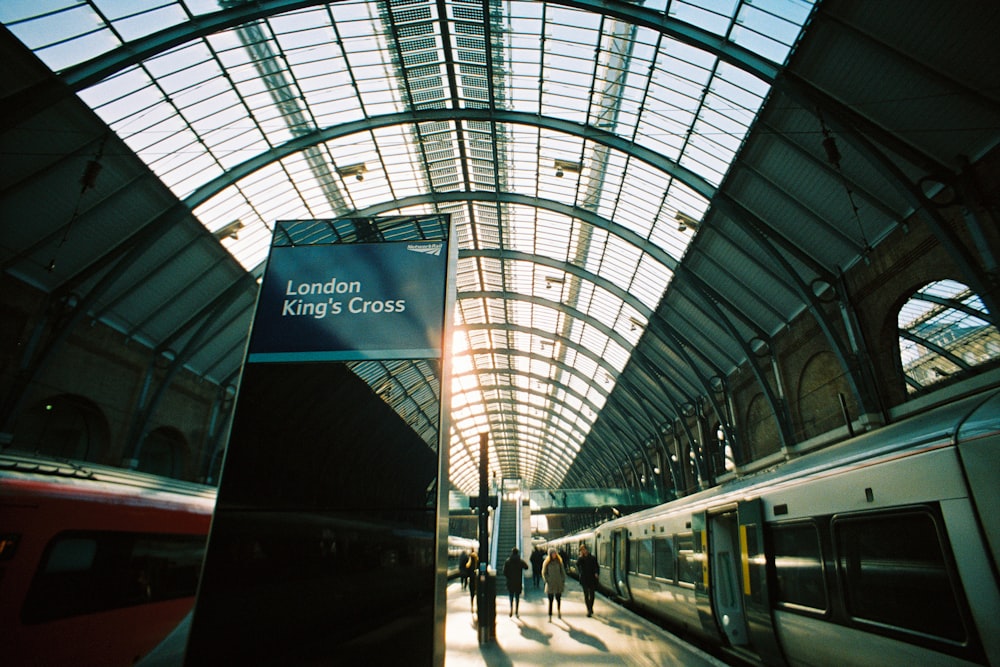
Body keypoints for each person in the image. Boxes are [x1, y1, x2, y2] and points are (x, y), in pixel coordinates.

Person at [502, 547, 529, 617]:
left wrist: (508, 577)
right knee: (517, 597)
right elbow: (526, 567)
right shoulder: (520, 561)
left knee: (511, 597)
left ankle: (511, 609)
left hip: (510, 582)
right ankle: (516, 611)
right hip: (518, 582)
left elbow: (504, 572)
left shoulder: (508, 561)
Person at [541, 548, 566, 620]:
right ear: (550, 555)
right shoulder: (547, 563)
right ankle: (550, 615)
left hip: (558, 583)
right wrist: (547, 580)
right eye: (552, 554)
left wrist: (562, 580)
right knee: (550, 600)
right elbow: (544, 572)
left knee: (558, 599)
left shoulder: (559, 562)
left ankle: (559, 611)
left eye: (555, 553)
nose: (554, 555)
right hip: (550, 584)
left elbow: (562, 572)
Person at [576, 543, 599, 617]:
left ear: (587, 550)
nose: (583, 551)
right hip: (584, 579)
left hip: (592, 578)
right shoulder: (580, 559)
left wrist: (596, 573)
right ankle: (589, 610)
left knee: (592, 595)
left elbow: (596, 566)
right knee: (586, 595)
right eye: (582, 550)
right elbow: (577, 565)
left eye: (584, 549)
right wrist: (580, 557)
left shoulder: (592, 558)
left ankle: (591, 607)